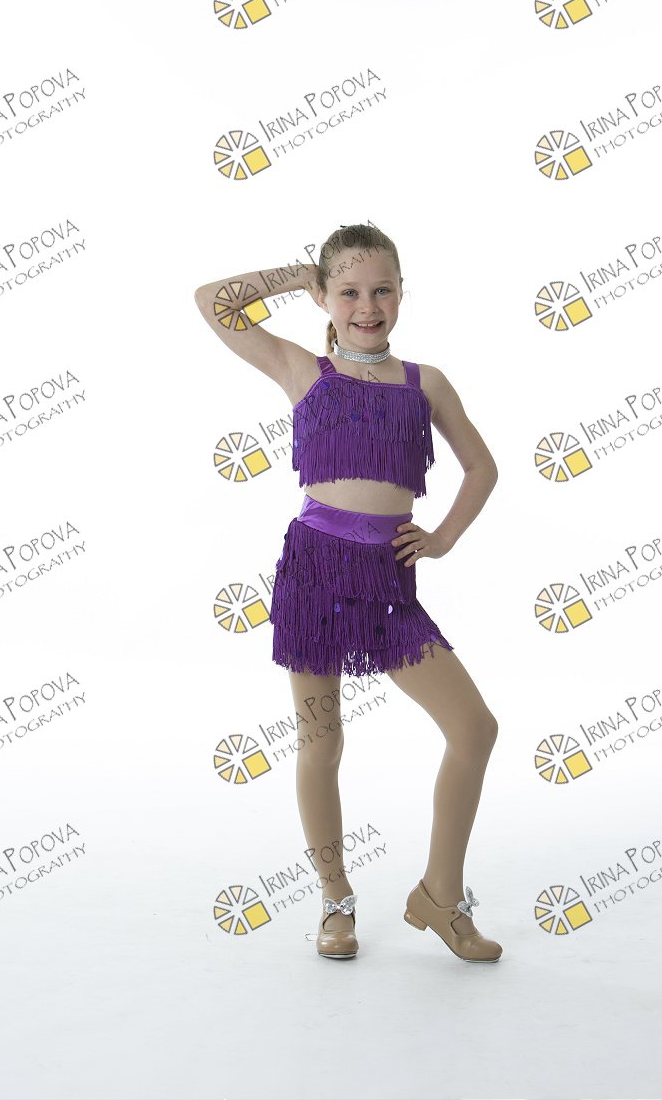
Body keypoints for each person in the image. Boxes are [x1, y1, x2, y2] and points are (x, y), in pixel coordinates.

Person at [194, 223, 502, 963]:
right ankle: (335, 898)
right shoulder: (303, 370)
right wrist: (299, 271)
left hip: (388, 583)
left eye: (382, 289)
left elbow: (482, 467)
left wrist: (442, 537)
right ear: (326, 298)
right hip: (315, 573)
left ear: (401, 293)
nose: (368, 306)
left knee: (474, 729)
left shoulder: (425, 384)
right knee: (322, 739)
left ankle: (440, 895)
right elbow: (211, 301)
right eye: (349, 291)